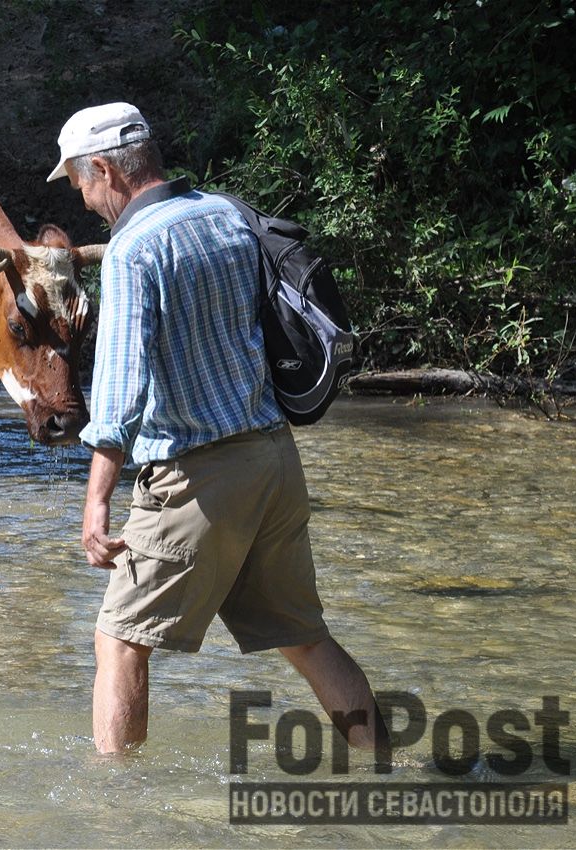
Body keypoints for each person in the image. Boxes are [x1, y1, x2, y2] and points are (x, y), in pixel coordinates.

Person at [47, 102, 389, 755]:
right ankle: (385, 774)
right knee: (306, 638)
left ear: (103, 169)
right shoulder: (226, 214)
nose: (86, 200)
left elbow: (119, 394)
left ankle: (114, 812)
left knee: (118, 642)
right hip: (273, 460)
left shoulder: (132, 251)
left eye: (81, 184)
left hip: (197, 479)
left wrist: (95, 503)